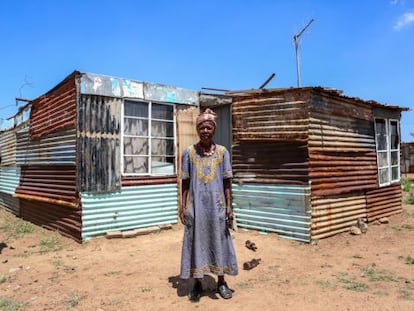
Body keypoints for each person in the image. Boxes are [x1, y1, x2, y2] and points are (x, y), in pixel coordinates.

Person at [179, 108, 238, 302]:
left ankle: (221, 281)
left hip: (217, 208)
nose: (205, 131)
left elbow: (227, 182)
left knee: (219, 242)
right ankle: (197, 283)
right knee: (196, 243)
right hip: (196, 208)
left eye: (208, 127)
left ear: (213, 129)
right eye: (202, 127)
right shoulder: (188, 153)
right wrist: (182, 206)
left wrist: (229, 207)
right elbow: (185, 182)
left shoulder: (222, 152)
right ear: (197, 130)